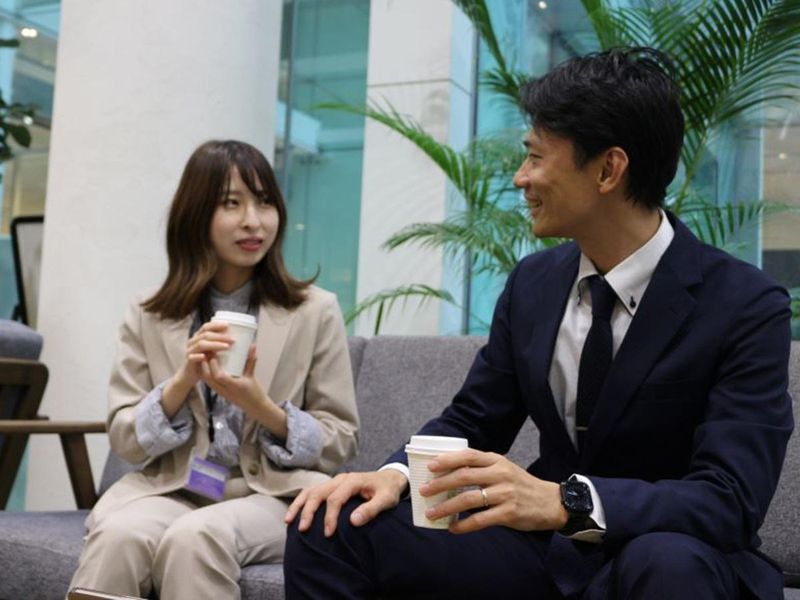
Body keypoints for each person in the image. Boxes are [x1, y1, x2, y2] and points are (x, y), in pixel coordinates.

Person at [282, 48, 793, 599]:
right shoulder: (534, 283)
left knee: (665, 562)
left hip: (669, 556)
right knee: (329, 524)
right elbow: (474, 419)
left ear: (608, 169)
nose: (520, 178)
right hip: (547, 553)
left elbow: (728, 499)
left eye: (535, 157)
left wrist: (565, 501)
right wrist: (394, 475)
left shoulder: (745, 305)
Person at [69, 140, 359, 599]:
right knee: (118, 536)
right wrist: (182, 381)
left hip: (274, 494)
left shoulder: (314, 311)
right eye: (231, 203)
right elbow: (125, 438)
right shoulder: (149, 313)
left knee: (195, 538)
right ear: (196, 215)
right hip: (179, 486)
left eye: (264, 202)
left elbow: (340, 439)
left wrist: (262, 408)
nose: (253, 221)